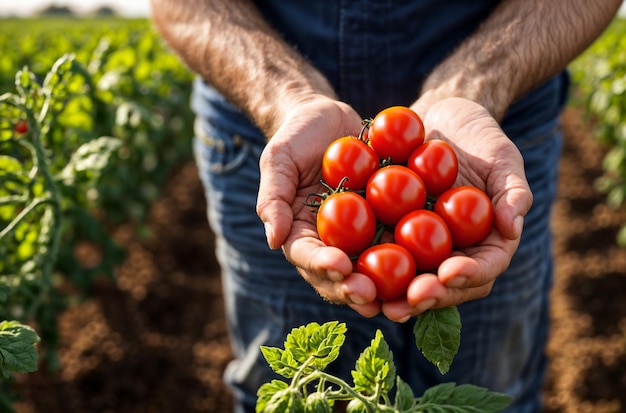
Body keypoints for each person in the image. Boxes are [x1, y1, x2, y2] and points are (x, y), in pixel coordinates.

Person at [150, 1, 621, 412]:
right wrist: (285, 96)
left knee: (492, 387)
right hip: (259, 122)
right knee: (288, 393)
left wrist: (476, 82)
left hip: (495, 129)